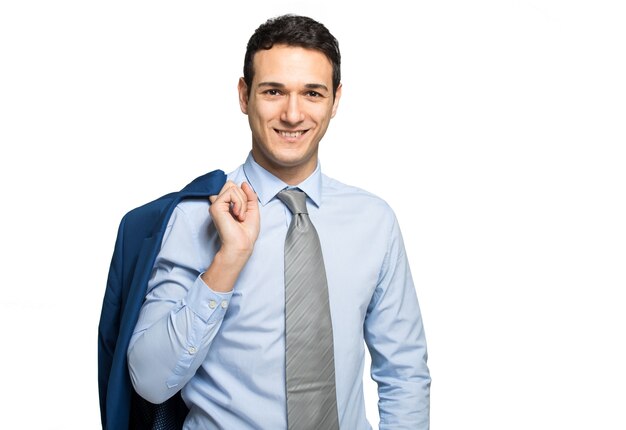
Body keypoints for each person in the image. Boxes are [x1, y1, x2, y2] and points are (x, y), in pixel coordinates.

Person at [127, 14, 430, 429]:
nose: (292, 113)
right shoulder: (194, 216)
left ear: (336, 100)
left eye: (312, 93)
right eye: (273, 91)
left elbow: (404, 372)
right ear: (243, 94)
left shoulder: (374, 222)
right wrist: (228, 260)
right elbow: (149, 380)